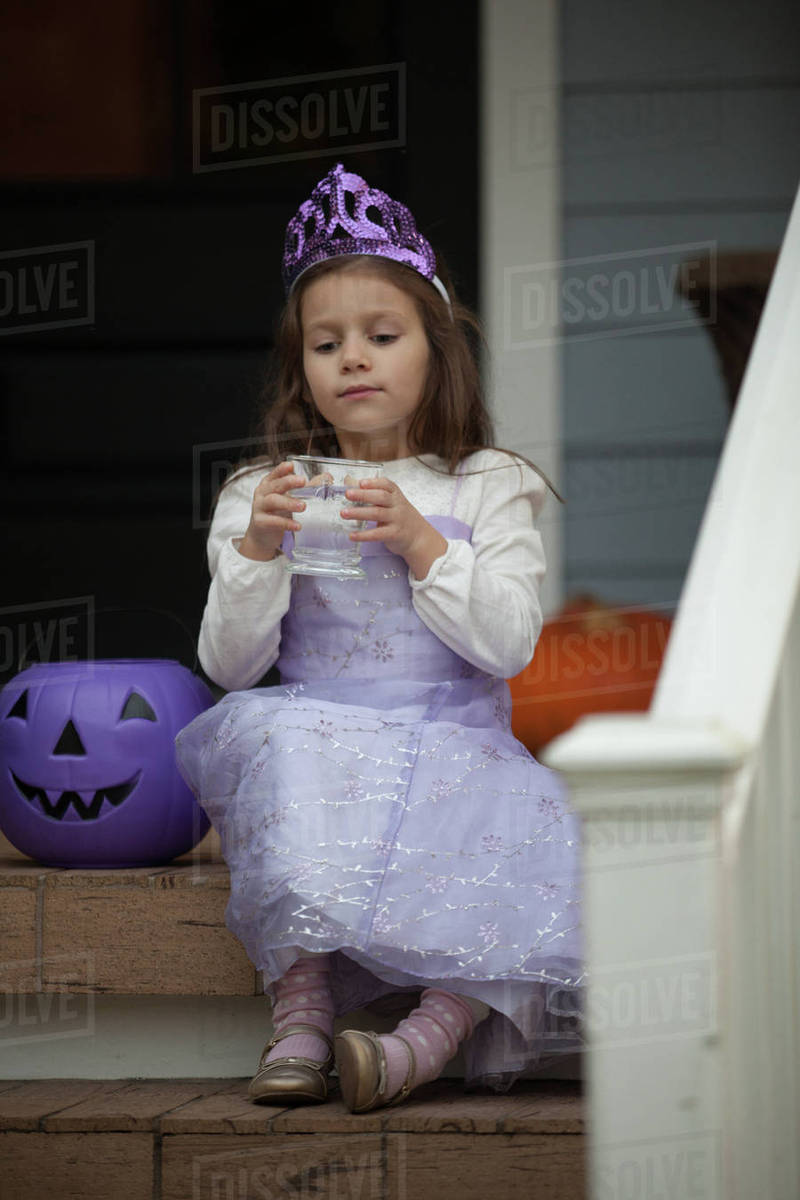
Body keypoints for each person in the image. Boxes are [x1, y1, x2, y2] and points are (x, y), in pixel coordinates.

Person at [174, 162, 584, 1113]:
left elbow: (511, 643)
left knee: (530, 825)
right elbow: (229, 669)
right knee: (284, 746)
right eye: (326, 343)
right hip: (325, 729)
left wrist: (420, 540)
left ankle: (417, 1047)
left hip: (457, 743)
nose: (353, 357)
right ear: (301, 368)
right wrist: (259, 548)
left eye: (381, 335)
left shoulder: (484, 482)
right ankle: (304, 1019)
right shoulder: (261, 491)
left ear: (435, 349)